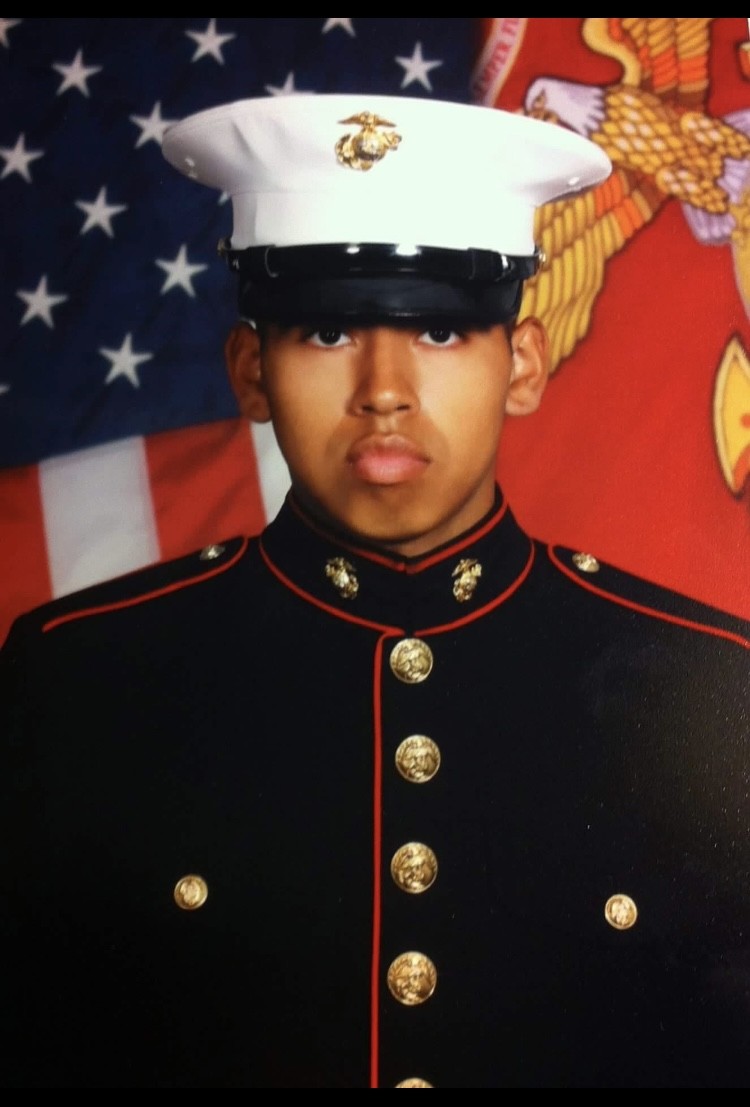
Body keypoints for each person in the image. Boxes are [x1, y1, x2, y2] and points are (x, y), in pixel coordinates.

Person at [1, 93, 749, 1090]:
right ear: (250, 372)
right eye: (322, 334)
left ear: (522, 365)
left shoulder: (713, 690)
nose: (384, 388)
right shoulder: (80, 679)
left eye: (440, 337)